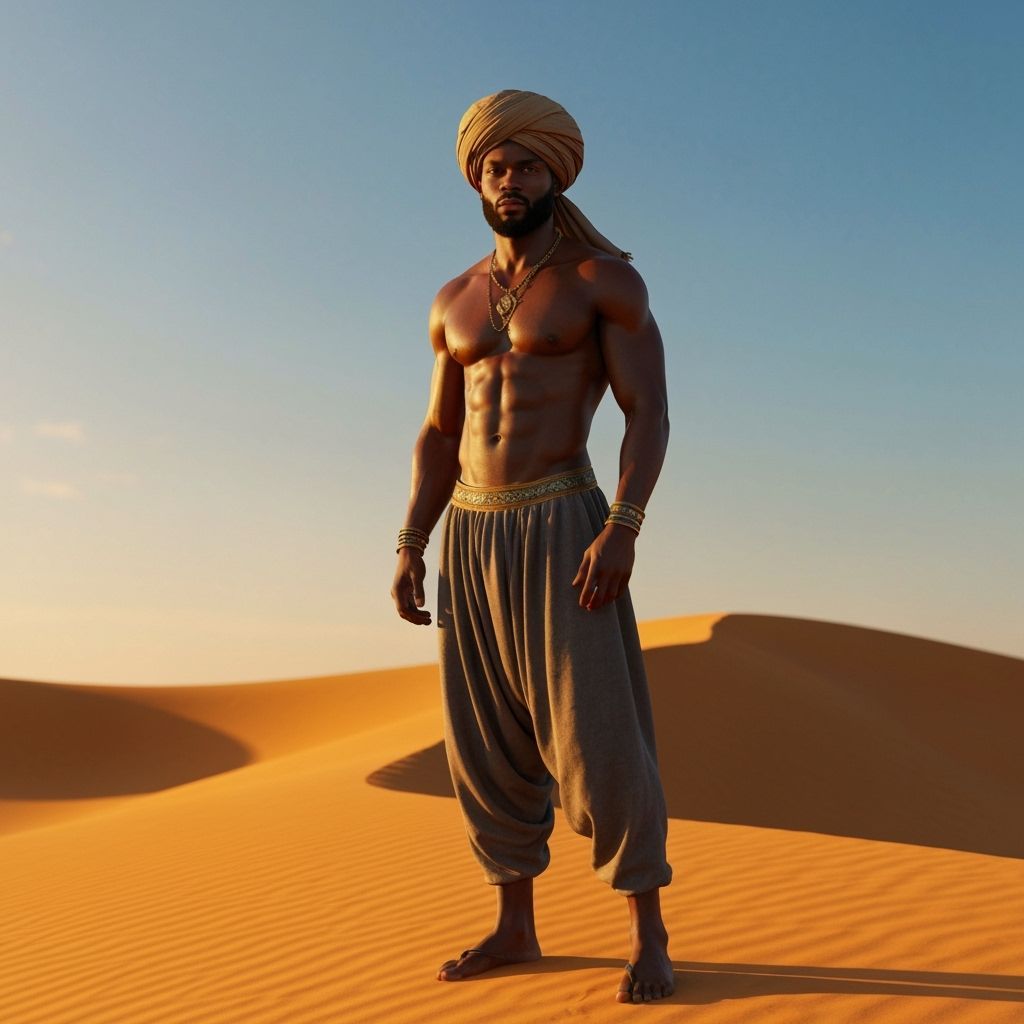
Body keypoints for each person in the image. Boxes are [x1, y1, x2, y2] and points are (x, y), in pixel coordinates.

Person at [390, 90, 674, 1005]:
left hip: (564, 520)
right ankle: (516, 924)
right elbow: (439, 432)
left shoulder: (602, 281)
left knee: (598, 733)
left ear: (557, 172)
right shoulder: (453, 298)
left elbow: (648, 414)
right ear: (476, 176)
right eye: (495, 167)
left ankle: (649, 934)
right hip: (470, 529)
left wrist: (623, 525)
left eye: (527, 166)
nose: (510, 181)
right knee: (483, 741)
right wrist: (410, 541)